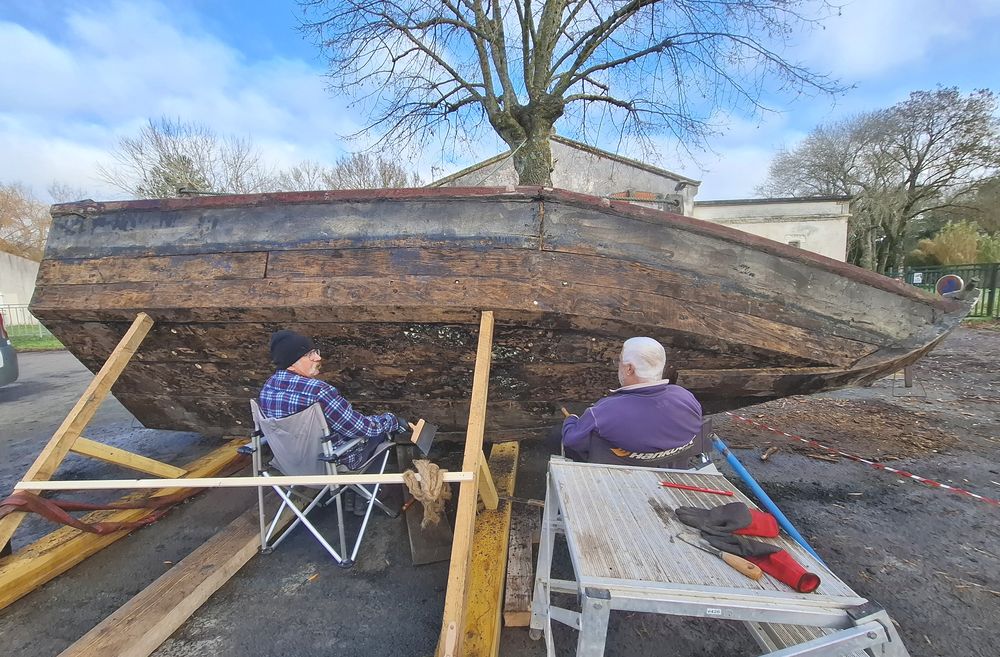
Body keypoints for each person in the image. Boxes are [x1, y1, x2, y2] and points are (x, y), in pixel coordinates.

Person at [259, 329, 403, 471]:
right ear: (291, 363)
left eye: (316, 352)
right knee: (380, 433)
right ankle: (366, 492)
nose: (318, 358)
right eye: (309, 355)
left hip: (292, 466)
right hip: (330, 464)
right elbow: (359, 428)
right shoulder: (318, 391)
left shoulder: (267, 388)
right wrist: (391, 420)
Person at [559, 337, 703, 466]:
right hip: (668, 470)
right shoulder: (686, 397)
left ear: (629, 369)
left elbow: (571, 440)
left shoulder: (604, 411)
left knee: (557, 434)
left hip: (615, 473)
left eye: (620, 360)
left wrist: (571, 420)